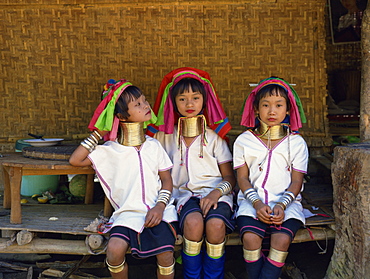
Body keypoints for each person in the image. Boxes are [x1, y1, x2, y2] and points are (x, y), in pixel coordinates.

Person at [69, 79, 178, 279]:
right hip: (127, 214)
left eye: (145, 101)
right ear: (120, 115)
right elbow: (76, 160)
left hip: (159, 210)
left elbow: (167, 180)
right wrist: (99, 132)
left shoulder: (153, 146)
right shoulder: (109, 151)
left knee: (165, 255)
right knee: (114, 250)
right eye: (137, 104)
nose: (145, 106)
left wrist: (160, 206)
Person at [147, 67, 236, 279]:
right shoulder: (163, 137)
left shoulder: (214, 138)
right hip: (182, 196)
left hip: (217, 194)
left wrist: (215, 194)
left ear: (204, 101)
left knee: (215, 225)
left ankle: (214, 276)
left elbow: (230, 177)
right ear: (173, 102)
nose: (189, 104)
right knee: (193, 223)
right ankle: (191, 276)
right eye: (182, 99)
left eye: (195, 98)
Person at [233, 77, 308, 279]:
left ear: (288, 109)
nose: (272, 111)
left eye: (278, 105)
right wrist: (257, 204)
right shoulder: (244, 141)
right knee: (250, 238)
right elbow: (242, 179)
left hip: (288, 203)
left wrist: (282, 205)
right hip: (251, 201)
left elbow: (296, 181)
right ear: (256, 109)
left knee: (282, 240)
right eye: (265, 105)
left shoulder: (297, 143)